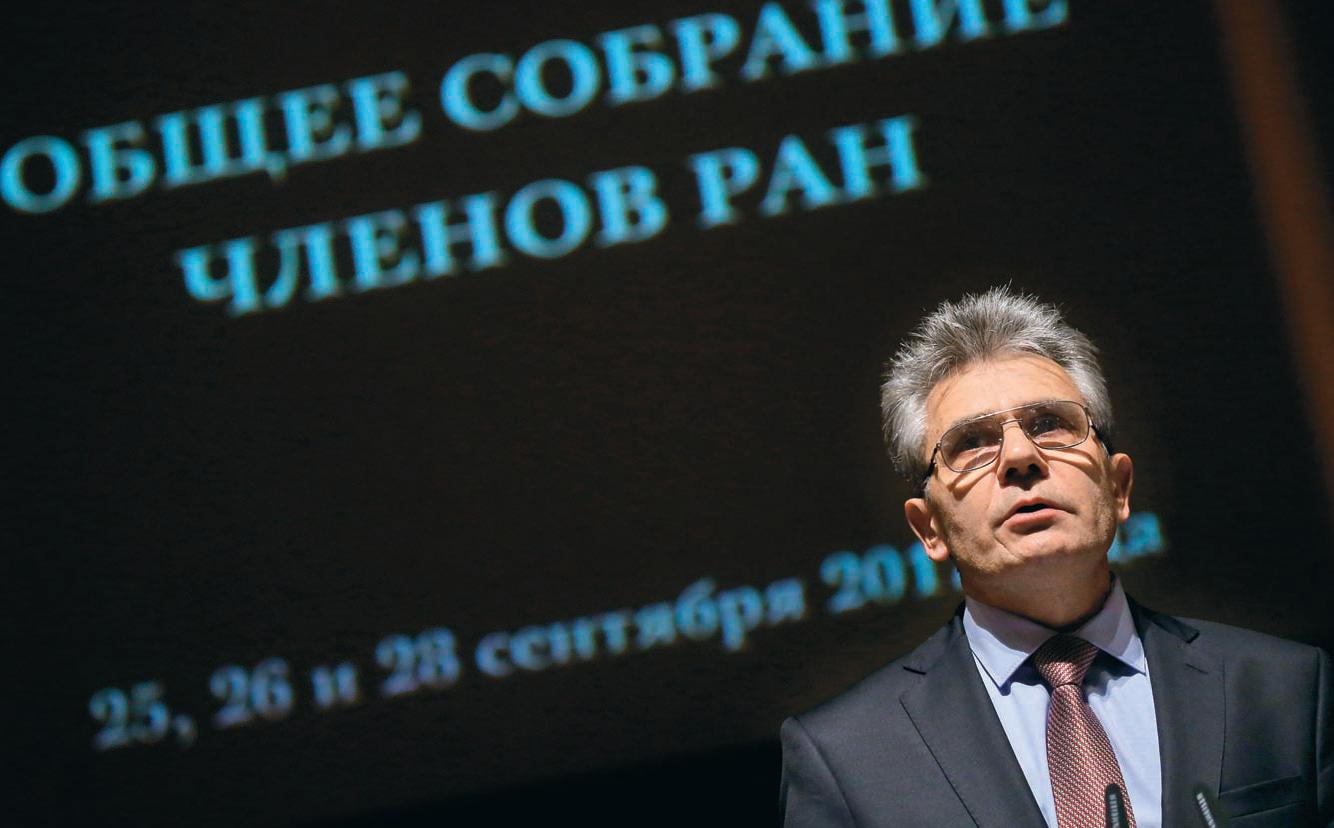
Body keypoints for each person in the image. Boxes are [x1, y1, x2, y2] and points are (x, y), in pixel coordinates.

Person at [779, 287, 1332, 827]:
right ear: (930, 529)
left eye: (1050, 424)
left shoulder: (1281, 688)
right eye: (972, 442)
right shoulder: (846, 756)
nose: (1020, 456)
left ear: (1118, 488)